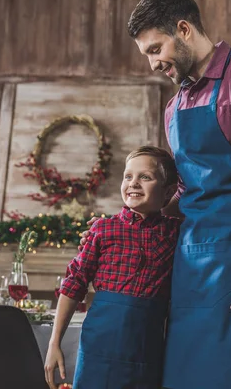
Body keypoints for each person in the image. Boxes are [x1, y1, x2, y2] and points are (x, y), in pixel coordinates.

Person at [81, 0, 231, 387]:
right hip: (188, 269)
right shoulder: (174, 107)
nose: (154, 63)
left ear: (184, 29)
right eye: (147, 54)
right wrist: (125, 226)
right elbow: (188, 190)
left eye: (156, 48)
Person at [44, 146, 182, 389]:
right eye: (128, 176)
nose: (134, 183)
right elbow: (74, 283)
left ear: (169, 191)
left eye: (145, 177)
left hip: (146, 350)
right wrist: (54, 343)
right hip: (98, 346)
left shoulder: (175, 232)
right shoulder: (102, 229)